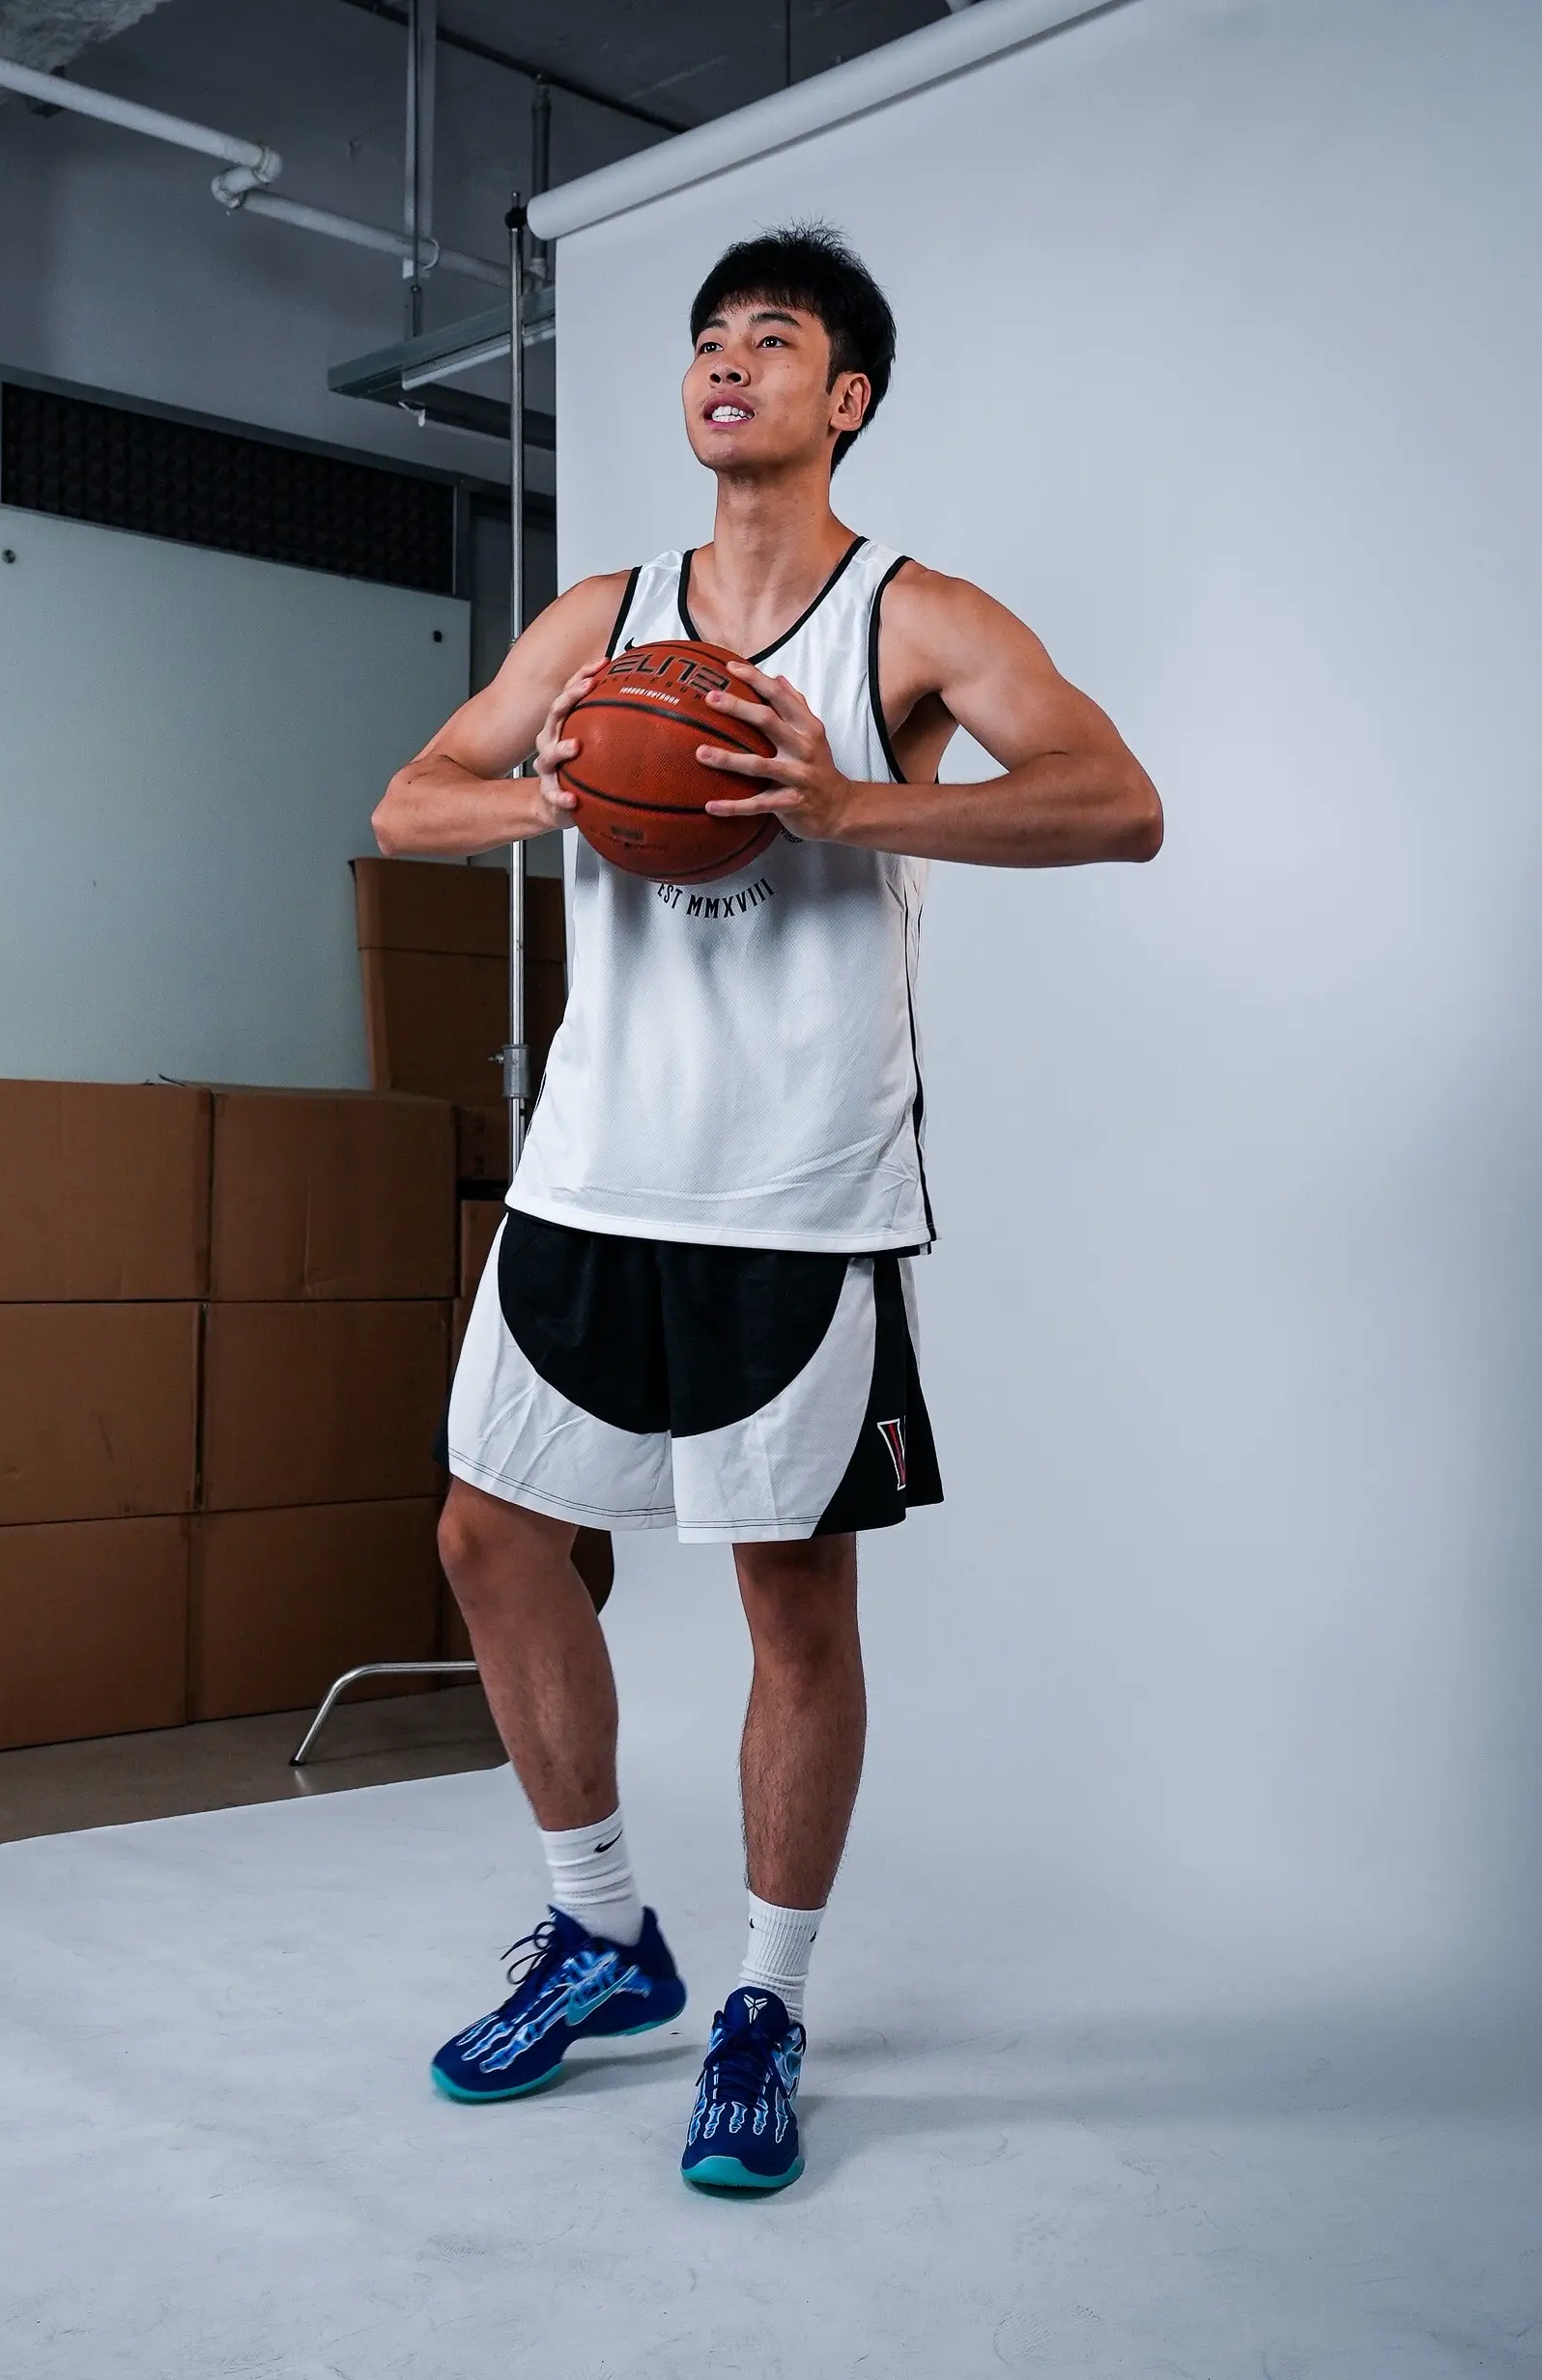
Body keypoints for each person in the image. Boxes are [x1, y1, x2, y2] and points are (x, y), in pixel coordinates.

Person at [372, 223, 1161, 2194]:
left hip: (799, 1195)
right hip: (589, 1173)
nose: (728, 363)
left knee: (788, 1602)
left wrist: (850, 803)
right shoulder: (604, 619)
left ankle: (765, 2000)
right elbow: (411, 798)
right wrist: (557, 792)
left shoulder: (914, 619)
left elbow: (1117, 799)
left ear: (847, 397)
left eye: (774, 339)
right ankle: (601, 1933)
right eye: (709, 338)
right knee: (487, 1533)